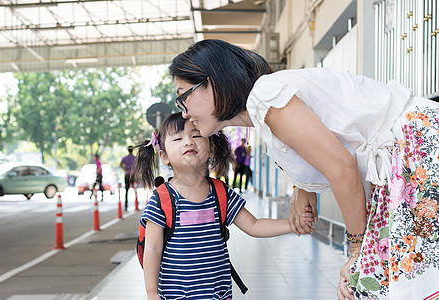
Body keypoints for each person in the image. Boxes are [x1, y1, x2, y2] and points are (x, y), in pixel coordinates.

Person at [168, 39, 439, 299]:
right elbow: (321, 148)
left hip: (416, 152)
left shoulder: (266, 98)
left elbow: (343, 169)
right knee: (380, 283)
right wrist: (302, 187)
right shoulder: (264, 106)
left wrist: (357, 250)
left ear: (212, 83)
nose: (184, 112)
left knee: (372, 281)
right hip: (403, 163)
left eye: (184, 97)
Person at [132, 112, 314, 299]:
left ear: (211, 148)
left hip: (217, 294)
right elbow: (152, 249)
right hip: (176, 296)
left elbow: (254, 225)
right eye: (178, 138)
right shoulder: (162, 199)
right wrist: (152, 292)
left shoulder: (220, 192)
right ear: (164, 156)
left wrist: (291, 224)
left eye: (196, 135)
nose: (188, 142)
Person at [120, 146, 135, 211]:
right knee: (135, 189)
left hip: (127, 175)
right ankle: (136, 203)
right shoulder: (135, 158)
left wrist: (126, 169)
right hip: (133, 175)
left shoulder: (125, 158)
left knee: (126, 190)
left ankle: (126, 205)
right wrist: (132, 170)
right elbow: (138, 165)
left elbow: (120, 164)